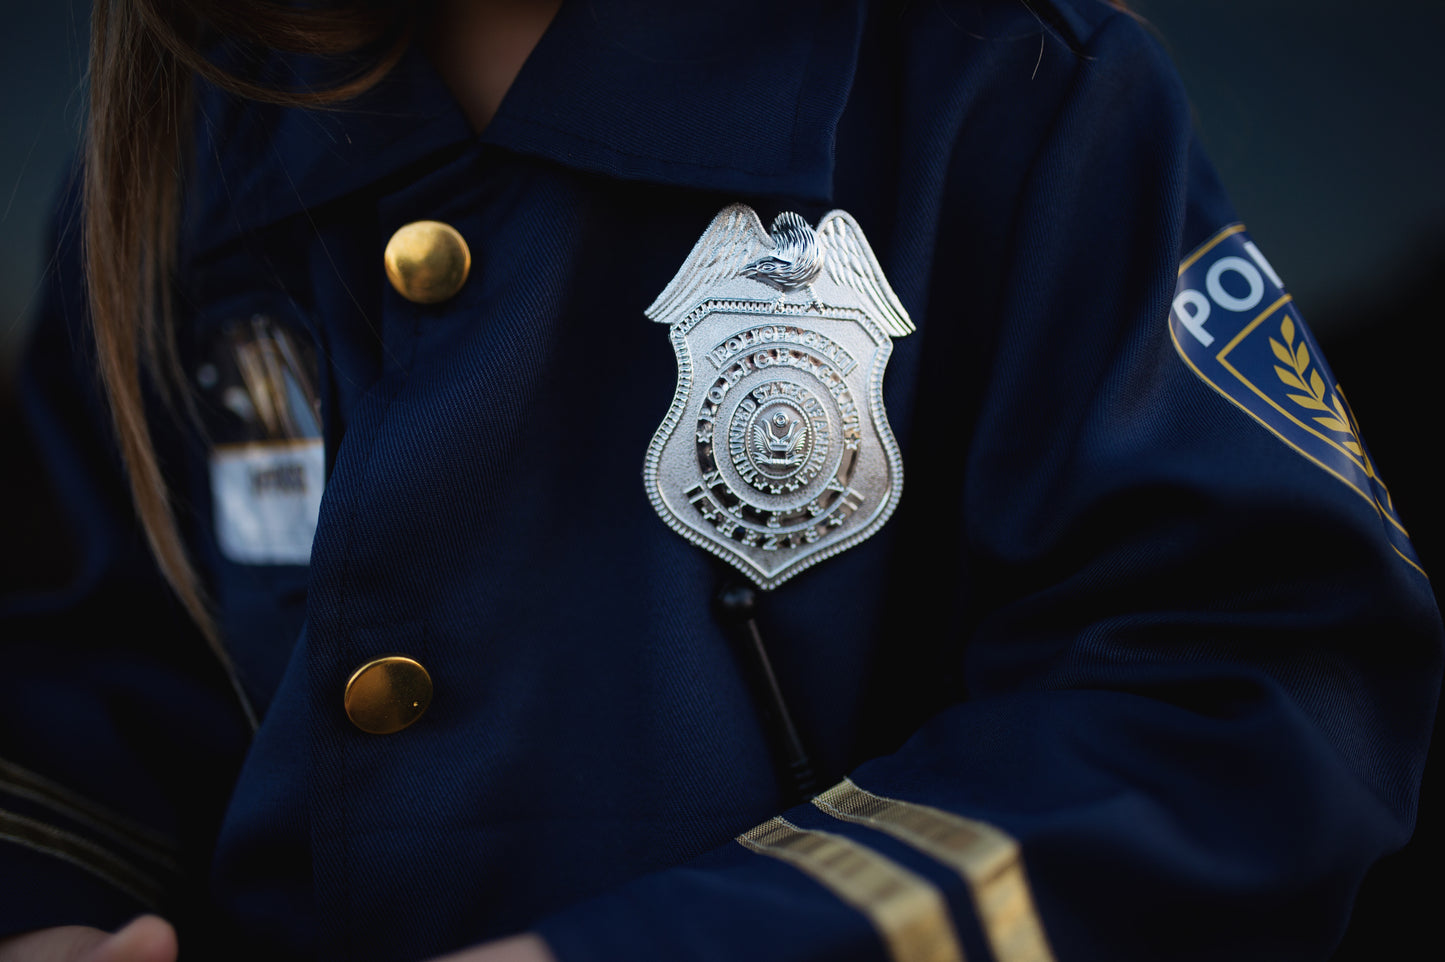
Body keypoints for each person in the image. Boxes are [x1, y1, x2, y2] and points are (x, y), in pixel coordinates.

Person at [1, 1, 1440, 960]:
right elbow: (90, 689)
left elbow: (1238, 691)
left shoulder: (1009, 86)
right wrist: (55, 913)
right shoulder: (186, 144)